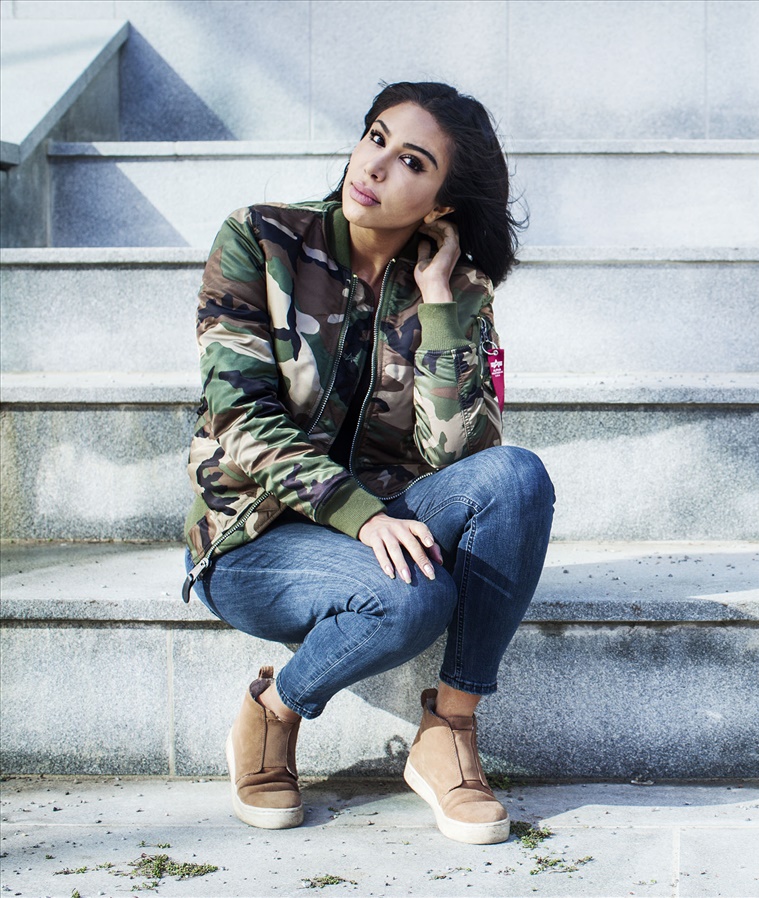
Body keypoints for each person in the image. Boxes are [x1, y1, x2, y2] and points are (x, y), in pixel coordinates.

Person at [181, 82, 553, 845]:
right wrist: (361, 515)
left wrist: (438, 302)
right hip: (253, 538)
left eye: (412, 161)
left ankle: (448, 731)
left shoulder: (460, 291)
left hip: (383, 524)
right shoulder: (262, 240)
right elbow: (239, 414)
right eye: (376, 137)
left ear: (441, 203)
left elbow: (461, 457)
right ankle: (272, 709)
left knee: (517, 478)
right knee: (414, 601)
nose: (375, 166)